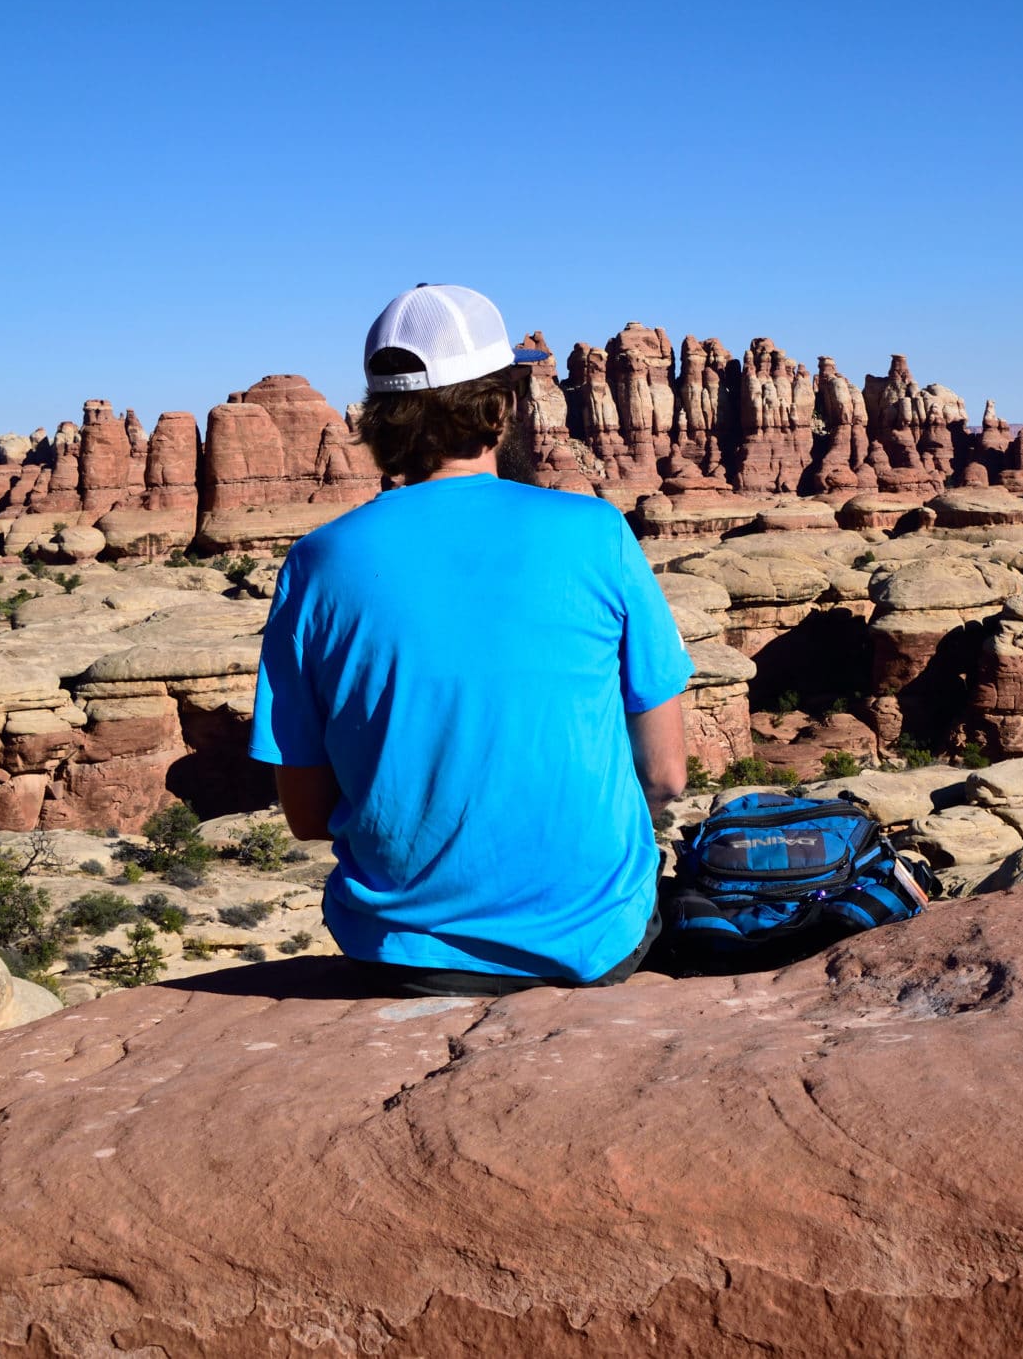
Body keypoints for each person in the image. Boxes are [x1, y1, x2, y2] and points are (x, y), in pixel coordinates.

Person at [249, 284, 693, 997]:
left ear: (381, 419)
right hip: (595, 940)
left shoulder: (316, 563)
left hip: (400, 954)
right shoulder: (596, 533)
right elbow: (667, 775)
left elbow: (305, 815)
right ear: (502, 404)